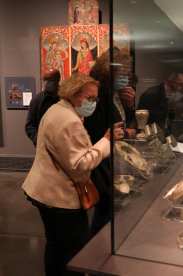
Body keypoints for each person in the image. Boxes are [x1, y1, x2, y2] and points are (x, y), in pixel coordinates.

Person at [22, 73, 124, 276]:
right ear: (74, 94)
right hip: (61, 199)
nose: (93, 103)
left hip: (42, 191)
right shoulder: (70, 121)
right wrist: (106, 141)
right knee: (79, 253)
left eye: (95, 99)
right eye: (90, 98)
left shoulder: (56, 109)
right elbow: (79, 165)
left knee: (55, 244)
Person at [83, 50, 136, 237]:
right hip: (103, 158)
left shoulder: (114, 93)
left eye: (126, 75)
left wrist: (129, 105)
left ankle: (100, 245)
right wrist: (125, 135)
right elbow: (98, 132)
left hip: (113, 157)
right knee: (104, 209)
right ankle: (93, 250)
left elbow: (123, 121)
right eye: (121, 74)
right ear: (109, 72)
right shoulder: (101, 95)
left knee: (107, 209)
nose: (125, 79)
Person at [25, 68, 61, 147]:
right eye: (44, 79)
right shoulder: (37, 100)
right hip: (44, 147)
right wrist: (40, 141)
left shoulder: (66, 98)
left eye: (49, 79)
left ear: (58, 80)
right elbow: (30, 126)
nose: (46, 82)